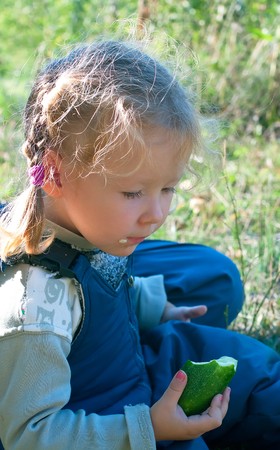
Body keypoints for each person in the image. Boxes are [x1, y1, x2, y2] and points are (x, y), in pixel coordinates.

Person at [0, 38, 279, 450]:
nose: (157, 214)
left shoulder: (93, 226)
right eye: (133, 193)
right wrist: (147, 428)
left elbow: (101, 285)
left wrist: (154, 306)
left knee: (261, 376)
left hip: (133, 364)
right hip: (109, 426)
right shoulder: (36, 305)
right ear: (55, 173)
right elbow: (28, 435)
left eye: (168, 188)